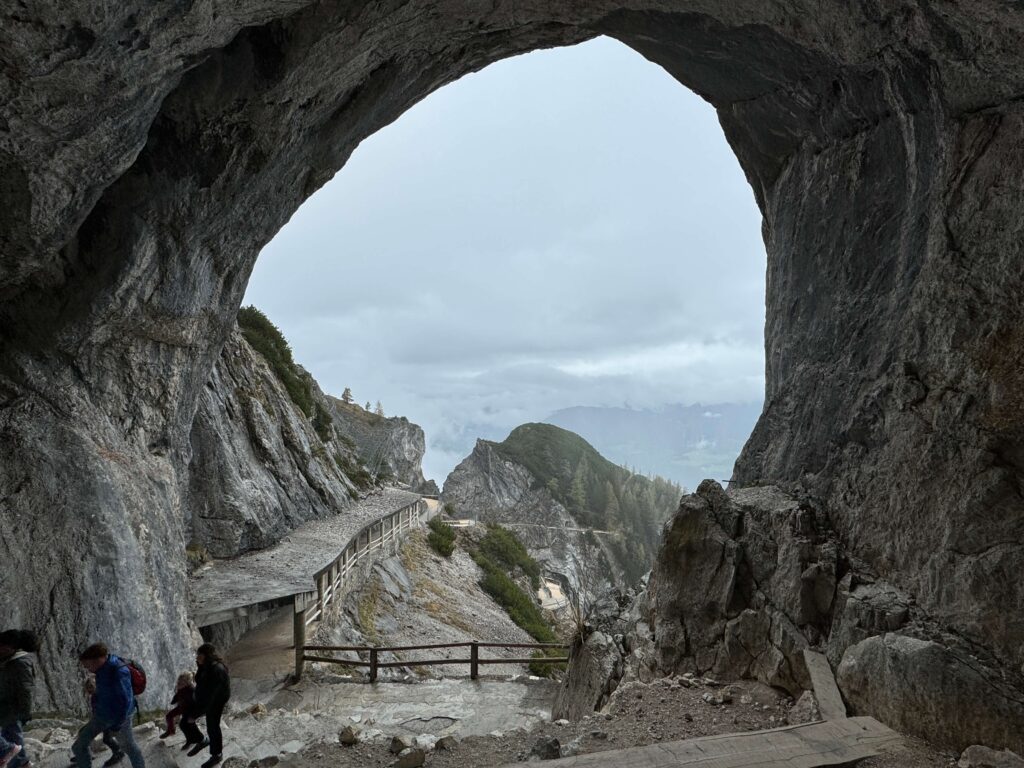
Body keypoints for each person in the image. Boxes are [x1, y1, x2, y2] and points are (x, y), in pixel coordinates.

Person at [71, 644, 145, 768]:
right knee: (78, 746)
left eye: (87, 665)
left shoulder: (119, 671)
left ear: (97, 660)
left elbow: (124, 702)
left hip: (120, 718)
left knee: (129, 747)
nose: (87, 669)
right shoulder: (103, 668)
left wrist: (118, 724)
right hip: (103, 715)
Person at [181, 644, 230, 768]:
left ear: (207, 655)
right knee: (185, 721)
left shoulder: (217, 670)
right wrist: (200, 666)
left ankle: (217, 755)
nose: (197, 657)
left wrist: (198, 713)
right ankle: (202, 741)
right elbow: (200, 681)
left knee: (213, 727)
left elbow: (212, 697)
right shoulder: (206, 666)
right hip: (205, 699)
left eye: (200, 655)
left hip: (215, 702)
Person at [0, 630, 37, 768]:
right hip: (5, 705)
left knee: (13, 735)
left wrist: (25, 711)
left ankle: (20, 762)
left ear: (10, 647)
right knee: (11, 734)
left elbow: (25, 688)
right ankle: (21, 763)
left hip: (12, 706)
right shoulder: (9, 660)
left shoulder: (20, 662)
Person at [70, 676, 123, 767]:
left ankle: (117, 753)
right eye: (88, 687)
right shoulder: (96, 695)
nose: (89, 689)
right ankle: (116, 752)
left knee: (105, 738)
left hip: (106, 720)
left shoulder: (101, 694)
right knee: (104, 738)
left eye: (91, 686)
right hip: (102, 720)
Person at [159, 673, 194, 740]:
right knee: (169, 716)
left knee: (186, 724)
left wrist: (193, 714)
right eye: (178, 681)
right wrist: (174, 700)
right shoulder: (181, 687)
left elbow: (193, 701)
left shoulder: (191, 690)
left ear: (186, 682)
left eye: (180, 682)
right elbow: (178, 695)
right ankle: (171, 731)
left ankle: (191, 738)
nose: (178, 683)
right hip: (181, 706)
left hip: (187, 709)